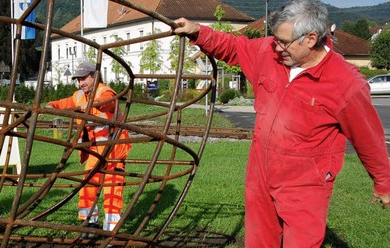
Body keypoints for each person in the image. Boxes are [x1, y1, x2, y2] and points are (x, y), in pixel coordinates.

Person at [173, 0, 390, 247]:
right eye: (276, 39)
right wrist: (198, 32)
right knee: (258, 242)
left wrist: (383, 182)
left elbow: (368, 138)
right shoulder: (269, 52)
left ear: (310, 38)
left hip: (305, 184)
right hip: (260, 174)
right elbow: (234, 47)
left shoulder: (346, 83)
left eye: (283, 42)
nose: (277, 48)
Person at [45, 62, 131, 237]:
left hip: (113, 149)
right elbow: (62, 103)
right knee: (88, 185)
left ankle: (111, 230)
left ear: (95, 76)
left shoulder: (104, 91)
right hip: (94, 149)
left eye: (84, 78)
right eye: (78, 79)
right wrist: (51, 106)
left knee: (113, 187)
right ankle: (89, 224)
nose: (80, 83)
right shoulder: (79, 96)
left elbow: (106, 102)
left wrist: (94, 104)